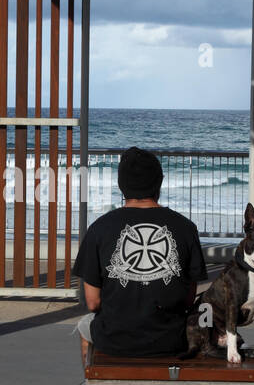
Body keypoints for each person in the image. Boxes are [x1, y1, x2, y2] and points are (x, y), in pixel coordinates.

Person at [72, 146, 206, 364]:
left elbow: (93, 303)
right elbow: (188, 299)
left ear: (121, 185)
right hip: (171, 339)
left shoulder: (99, 228)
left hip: (114, 339)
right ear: (159, 183)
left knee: (84, 325)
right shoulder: (185, 228)